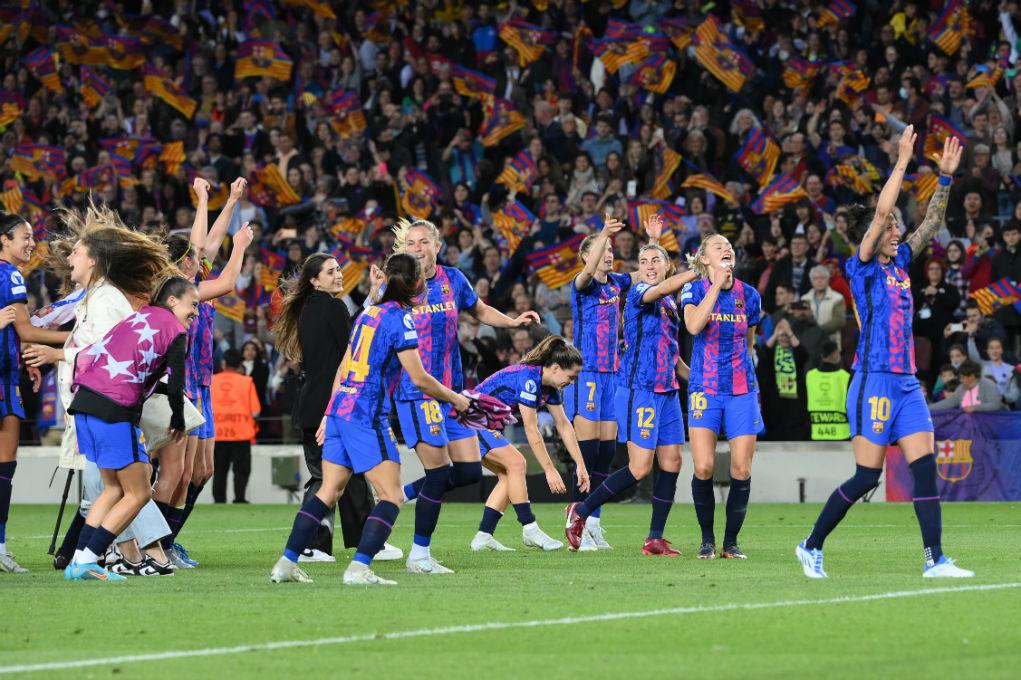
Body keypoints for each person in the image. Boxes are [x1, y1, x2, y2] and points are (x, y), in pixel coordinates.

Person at [797, 129, 974, 579]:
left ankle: (935, 559)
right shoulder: (860, 267)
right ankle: (811, 545)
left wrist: (946, 179)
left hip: (906, 382)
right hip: (871, 380)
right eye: (892, 227)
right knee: (866, 478)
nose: (898, 231)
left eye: (897, 226)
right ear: (873, 236)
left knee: (926, 470)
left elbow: (931, 224)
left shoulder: (899, 266)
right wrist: (901, 162)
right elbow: (879, 213)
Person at [269, 253, 472, 586]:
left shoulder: (368, 315)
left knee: (329, 492)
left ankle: (286, 563)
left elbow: (345, 365)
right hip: (365, 414)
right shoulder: (400, 319)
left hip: (340, 410)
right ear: (418, 285)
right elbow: (419, 378)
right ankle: (359, 567)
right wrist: (456, 398)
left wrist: (329, 413)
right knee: (392, 496)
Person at [24, 206, 178, 577]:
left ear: (93, 261)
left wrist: (57, 353)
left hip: (105, 404)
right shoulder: (94, 297)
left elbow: (115, 353)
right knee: (116, 485)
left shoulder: (107, 299)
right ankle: (130, 556)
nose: (70, 256)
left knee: (113, 485)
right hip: (95, 405)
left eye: (78, 251)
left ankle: (125, 555)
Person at [389, 218, 539, 575]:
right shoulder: (397, 287)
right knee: (439, 475)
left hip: (453, 395)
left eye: (424, 242)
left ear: (436, 246)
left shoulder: (453, 280)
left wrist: (513, 323)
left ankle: (400, 495)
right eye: (411, 243)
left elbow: (480, 310)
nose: (418, 249)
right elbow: (374, 321)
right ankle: (419, 555)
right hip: (416, 393)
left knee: (470, 472)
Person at [64, 276, 198, 582]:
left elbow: (94, 351)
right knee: (138, 492)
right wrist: (177, 419)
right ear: (173, 301)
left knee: (113, 488)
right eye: (193, 305)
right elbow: (176, 382)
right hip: (114, 408)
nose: (196, 313)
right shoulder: (176, 331)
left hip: (84, 401)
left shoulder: (138, 317)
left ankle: (79, 562)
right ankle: (86, 561)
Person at [565, 244, 696, 555]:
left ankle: (654, 538)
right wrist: (700, 270)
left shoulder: (669, 304)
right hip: (640, 390)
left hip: (667, 391)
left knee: (672, 462)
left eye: (655, 260)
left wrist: (703, 382)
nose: (648, 265)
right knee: (639, 469)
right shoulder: (639, 293)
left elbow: (673, 355)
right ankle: (580, 512)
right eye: (643, 261)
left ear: (667, 266)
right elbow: (658, 287)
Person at [154, 178, 251, 569]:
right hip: (186, 384)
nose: (204, 255)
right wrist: (240, 247)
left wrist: (222, 200)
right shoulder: (182, 290)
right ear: (184, 264)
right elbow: (226, 278)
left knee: (202, 471)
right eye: (195, 257)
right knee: (179, 473)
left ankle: (168, 541)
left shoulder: (193, 279)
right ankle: (159, 543)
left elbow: (207, 241)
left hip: (203, 383)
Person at [273, 253, 394, 562]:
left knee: (349, 476)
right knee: (324, 478)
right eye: (330, 272)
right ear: (314, 280)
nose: (338, 275)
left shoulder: (311, 308)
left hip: (315, 404)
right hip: (327, 406)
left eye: (338, 269)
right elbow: (355, 342)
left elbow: (347, 335)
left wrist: (370, 297)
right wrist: (374, 300)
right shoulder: (332, 307)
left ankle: (368, 542)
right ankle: (312, 544)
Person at [562, 214, 662, 549]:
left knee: (606, 454)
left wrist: (654, 243)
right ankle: (574, 517)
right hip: (587, 373)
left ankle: (593, 523)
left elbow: (650, 274)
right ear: (587, 255)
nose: (609, 253)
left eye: (610, 248)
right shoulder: (583, 285)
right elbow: (586, 273)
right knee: (586, 455)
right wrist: (603, 232)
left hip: (613, 374)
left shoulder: (617, 283)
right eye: (603, 249)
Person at [682, 234, 764, 559]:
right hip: (705, 388)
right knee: (703, 467)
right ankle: (706, 540)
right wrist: (715, 286)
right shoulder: (695, 289)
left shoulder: (751, 295)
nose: (726, 249)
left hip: (742, 390)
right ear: (705, 259)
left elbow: (750, 343)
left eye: (728, 246)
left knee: (741, 469)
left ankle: (730, 543)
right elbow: (692, 325)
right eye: (718, 247)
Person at [469, 336, 589, 552]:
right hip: (470, 422)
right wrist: (549, 469)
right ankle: (530, 529)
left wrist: (580, 464)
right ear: (555, 368)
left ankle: (483, 536)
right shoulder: (529, 379)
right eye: (571, 377)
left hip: (482, 425)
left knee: (509, 475)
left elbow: (563, 425)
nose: (571, 383)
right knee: (517, 464)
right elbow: (531, 429)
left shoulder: (549, 388)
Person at [0, 213, 68, 574]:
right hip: (1, 378)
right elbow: (26, 329)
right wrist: (81, 337)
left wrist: (22, 358)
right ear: (4, 240)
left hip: (9, 369)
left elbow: (15, 331)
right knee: (4, 465)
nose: (30, 243)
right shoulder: (9, 273)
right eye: (24, 237)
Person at [211, 348, 260, 504]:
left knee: (219, 471)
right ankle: (239, 498)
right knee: (241, 471)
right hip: (241, 433)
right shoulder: (247, 381)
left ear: (223, 363)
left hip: (217, 434)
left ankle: (219, 501)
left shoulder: (212, 380)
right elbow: (256, 411)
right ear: (240, 364)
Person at [805, 341, 851, 441]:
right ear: (834, 354)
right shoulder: (844, 376)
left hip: (817, 431)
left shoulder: (810, 376)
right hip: (841, 432)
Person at [929, 360, 1006, 412]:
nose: (961, 380)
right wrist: (926, 409)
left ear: (972, 376)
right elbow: (948, 403)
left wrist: (975, 408)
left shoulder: (987, 385)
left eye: (963, 377)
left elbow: (996, 405)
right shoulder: (961, 388)